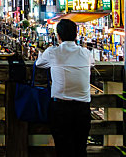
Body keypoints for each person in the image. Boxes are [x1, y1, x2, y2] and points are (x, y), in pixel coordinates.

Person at [36, 19, 94, 157]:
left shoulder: (53, 52)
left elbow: (39, 63)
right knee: (80, 149)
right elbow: (92, 63)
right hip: (83, 108)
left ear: (58, 36)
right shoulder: (86, 53)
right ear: (76, 35)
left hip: (60, 108)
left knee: (63, 149)